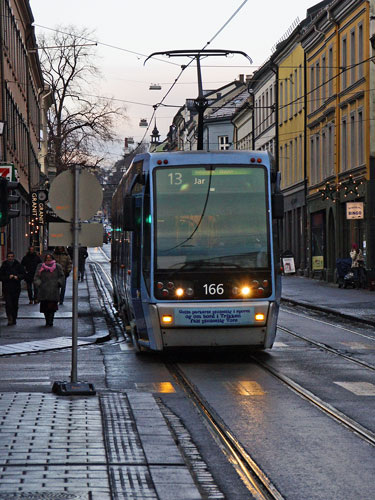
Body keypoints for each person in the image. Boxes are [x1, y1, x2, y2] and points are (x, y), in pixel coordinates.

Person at [34, 252, 65, 326]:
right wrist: (39, 283)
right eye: (47, 258)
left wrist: (58, 283)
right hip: (43, 289)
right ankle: (47, 320)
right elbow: (36, 276)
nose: (48, 259)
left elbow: (62, 276)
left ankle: (50, 321)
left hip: (53, 289)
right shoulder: (41, 266)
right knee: (45, 307)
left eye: (49, 258)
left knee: (52, 307)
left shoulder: (57, 266)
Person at [0, 251, 25, 325]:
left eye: (11, 256)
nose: (10, 258)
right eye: (9, 257)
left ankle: (14, 317)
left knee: (15, 304)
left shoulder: (17, 264)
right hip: (7, 287)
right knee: (8, 303)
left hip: (16, 287)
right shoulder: (4, 265)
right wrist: (8, 277)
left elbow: (23, 274)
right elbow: (0, 276)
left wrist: (18, 277)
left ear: (13, 257)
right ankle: (9, 318)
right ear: (7, 257)